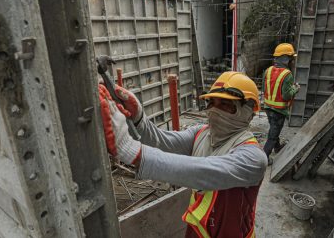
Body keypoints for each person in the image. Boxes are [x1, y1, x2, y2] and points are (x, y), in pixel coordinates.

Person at [99, 71, 267, 238]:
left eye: (225, 104)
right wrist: (138, 118)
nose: (215, 110)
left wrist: (132, 151)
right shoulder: (201, 133)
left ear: (248, 111)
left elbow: (205, 173)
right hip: (198, 230)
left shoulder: (253, 158)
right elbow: (163, 142)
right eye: (211, 103)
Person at [263, 43, 300, 165]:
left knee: (274, 129)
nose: (291, 60)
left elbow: (264, 89)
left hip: (268, 107)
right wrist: (295, 89)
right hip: (279, 110)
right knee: (273, 135)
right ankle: (264, 157)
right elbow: (286, 95)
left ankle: (277, 147)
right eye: (289, 58)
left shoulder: (267, 71)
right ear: (284, 58)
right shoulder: (287, 74)